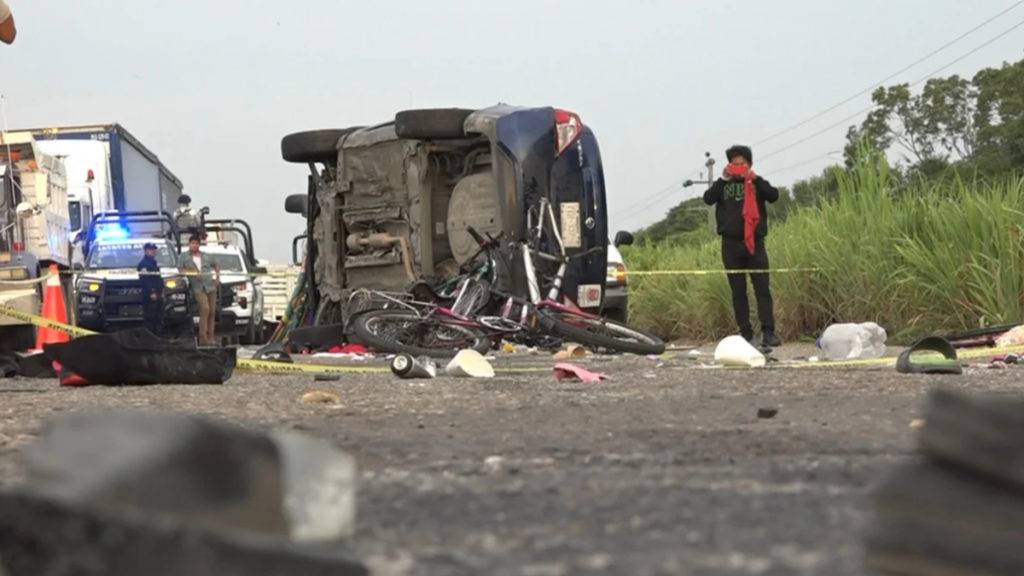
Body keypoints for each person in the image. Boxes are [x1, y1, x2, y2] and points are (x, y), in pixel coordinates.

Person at [703, 144, 781, 347]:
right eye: (734, 164)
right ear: (729, 166)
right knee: (738, 291)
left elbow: (773, 195)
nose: (738, 167)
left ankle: (768, 332)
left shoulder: (757, 183)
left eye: (742, 164)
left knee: (762, 289)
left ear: (750, 165)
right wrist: (723, 179)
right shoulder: (723, 185)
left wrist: (755, 178)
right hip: (730, 244)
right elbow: (708, 199)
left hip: (756, 243)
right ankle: (746, 333)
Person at [178, 235, 219, 345]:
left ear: (199, 245)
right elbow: (180, 269)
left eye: (196, 243)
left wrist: (217, 278)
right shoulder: (183, 256)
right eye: (193, 243)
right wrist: (192, 273)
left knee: (212, 312)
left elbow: (216, 265)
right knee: (205, 309)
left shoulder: (206, 256)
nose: (194, 245)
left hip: (210, 286)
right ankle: (203, 338)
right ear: (189, 244)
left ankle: (211, 337)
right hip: (198, 287)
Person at [137, 242, 164, 335]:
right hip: (150, 295)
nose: (153, 251)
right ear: (146, 251)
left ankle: (158, 337)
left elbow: (157, 278)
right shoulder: (144, 264)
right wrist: (151, 292)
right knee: (150, 318)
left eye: (154, 249)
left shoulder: (153, 262)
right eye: (150, 249)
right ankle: (150, 338)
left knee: (158, 317)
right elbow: (145, 280)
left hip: (158, 293)